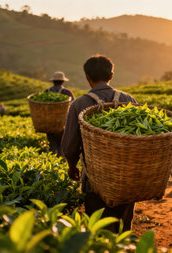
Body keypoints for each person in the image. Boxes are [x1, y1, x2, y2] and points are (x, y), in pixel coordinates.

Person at [61, 55, 137, 232]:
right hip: (127, 179)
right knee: (123, 229)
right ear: (111, 76)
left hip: (95, 181)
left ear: (88, 77)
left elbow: (71, 146)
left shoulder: (80, 104)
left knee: (98, 230)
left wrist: (72, 166)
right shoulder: (129, 100)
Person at [46, 71, 75, 156]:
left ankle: (52, 164)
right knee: (61, 145)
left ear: (53, 81)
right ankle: (60, 163)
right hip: (63, 123)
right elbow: (73, 105)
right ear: (63, 81)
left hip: (49, 123)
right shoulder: (67, 92)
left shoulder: (47, 91)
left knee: (52, 145)